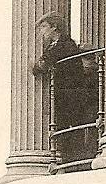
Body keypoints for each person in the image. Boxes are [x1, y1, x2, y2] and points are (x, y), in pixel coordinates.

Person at [31, 12, 97, 168]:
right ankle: (69, 163)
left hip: (72, 96)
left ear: (55, 28)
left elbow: (40, 66)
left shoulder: (64, 44)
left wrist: (34, 64)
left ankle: (73, 164)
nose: (42, 32)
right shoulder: (57, 45)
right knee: (66, 130)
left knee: (71, 131)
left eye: (44, 27)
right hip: (66, 96)